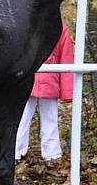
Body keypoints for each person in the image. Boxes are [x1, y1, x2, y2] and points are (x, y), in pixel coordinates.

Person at [15, 20, 74, 162]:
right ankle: (17, 150)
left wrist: (68, 90)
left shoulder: (59, 26)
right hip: (29, 79)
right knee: (23, 117)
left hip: (45, 80)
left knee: (48, 118)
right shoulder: (29, 22)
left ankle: (50, 153)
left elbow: (66, 58)